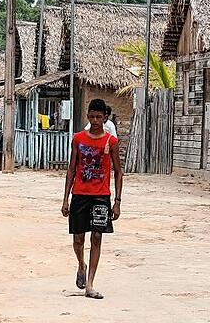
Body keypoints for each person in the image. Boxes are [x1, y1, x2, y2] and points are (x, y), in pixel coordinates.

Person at [62, 99, 123, 300]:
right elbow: (72, 168)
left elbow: (118, 172)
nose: (96, 120)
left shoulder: (111, 142)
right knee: (78, 239)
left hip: (101, 196)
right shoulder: (78, 139)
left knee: (97, 237)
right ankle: (81, 264)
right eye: (92, 116)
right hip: (79, 194)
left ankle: (90, 284)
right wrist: (65, 199)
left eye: (99, 117)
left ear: (105, 118)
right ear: (87, 116)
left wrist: (117, 201)